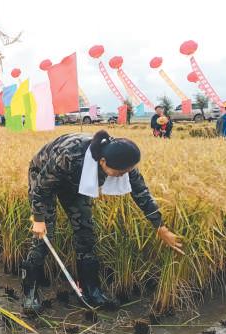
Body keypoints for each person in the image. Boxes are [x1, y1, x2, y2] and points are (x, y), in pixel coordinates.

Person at [20, 130, 183, 313]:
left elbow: (141, 192)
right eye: (120, 173)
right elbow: (42, 187)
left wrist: (159, 226)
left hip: (76, 184)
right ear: (103, 162)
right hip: (44, 177)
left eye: (126, 172)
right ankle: (30, 291)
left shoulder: (122, 161)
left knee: (85, 231)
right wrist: (39, 218)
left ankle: (91, 289)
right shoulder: (70, 154)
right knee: (44, 235)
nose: (122, 176)